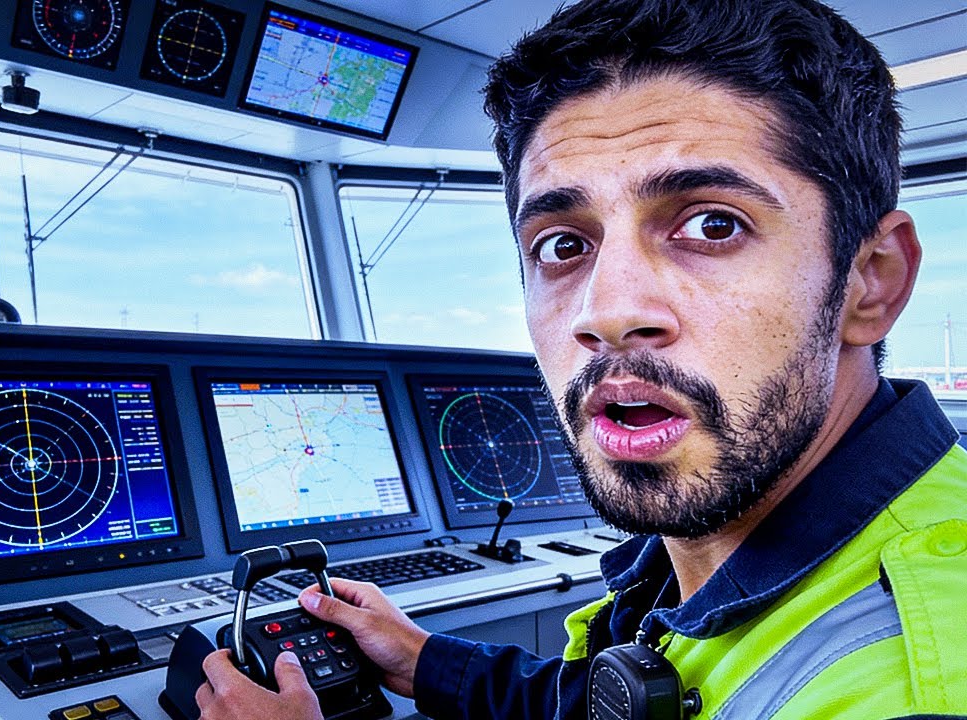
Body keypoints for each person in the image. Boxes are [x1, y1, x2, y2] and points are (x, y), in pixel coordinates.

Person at [193, 0, 967, 717]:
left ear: (872, 281)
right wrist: (424, 659)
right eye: (564, 244)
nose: (607, 312)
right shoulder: (716, 545)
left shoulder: (914, 675)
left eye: (713, 226)